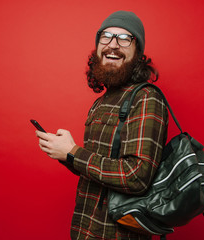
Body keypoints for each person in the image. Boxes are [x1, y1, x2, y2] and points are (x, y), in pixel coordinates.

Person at [35, 11, 168, 240]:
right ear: (97, 47)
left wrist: (74, 152)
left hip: (117, 234)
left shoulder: (146, 98)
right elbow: (98, 168)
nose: (113, 45)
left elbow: (136, 176)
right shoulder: (101, 102)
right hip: (85, 230)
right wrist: (65, 154)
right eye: (106, 36)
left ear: (138, 53)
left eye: (125, 38)